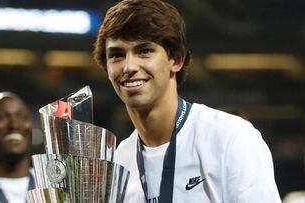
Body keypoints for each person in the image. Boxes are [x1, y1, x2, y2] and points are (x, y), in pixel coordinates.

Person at [93, 0, 281, 202]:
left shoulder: (230, 137)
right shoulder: (120, 162)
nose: (129, 66)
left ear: (176, 60)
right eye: (117, 55)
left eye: (144, 51)